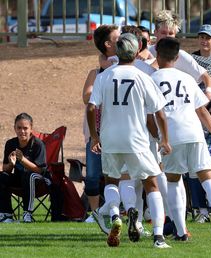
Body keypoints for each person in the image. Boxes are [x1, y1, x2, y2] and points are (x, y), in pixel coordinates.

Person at [87, 33, 172, 248]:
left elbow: (91, 107)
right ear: (136, 52)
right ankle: (158, 237)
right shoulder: (143, 77)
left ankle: (115, 215)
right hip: (136, 139)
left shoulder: (104, 75)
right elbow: (159, 113)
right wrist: (164, 139)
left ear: (117, 51)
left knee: (112, 180)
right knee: (151, 184)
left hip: (110, 138)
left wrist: (95, 136)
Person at [151, 37, 211, 243]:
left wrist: (158, 138)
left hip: (171, 135)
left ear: (157, 56)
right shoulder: (187, 78)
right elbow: (202, 111)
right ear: (177, 57)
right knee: (207, 177)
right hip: (194, 133)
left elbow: (150, 114)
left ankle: (181, 230)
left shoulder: (151, 79)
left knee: (173, 180)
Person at [82, 24, 120, 223]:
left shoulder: (125, 68)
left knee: (116, 174)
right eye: (117, 37)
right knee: (93, 175)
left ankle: (115, 210)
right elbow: (87, 97)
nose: (122, 39)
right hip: (96, 132)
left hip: (116, 132)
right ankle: (95, 213)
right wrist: (104, 74)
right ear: (107, 44)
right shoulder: (95, 73)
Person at [149, 10, 211, 100]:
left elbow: (207, 77)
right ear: (155, 32)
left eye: (171, 33)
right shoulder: (147, 53)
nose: (167, 37)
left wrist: (207, 97)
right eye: (163, 33)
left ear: (175, 34)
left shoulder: (181, 55)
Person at [0, 113, 49, 223]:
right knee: (2, 176)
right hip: (19, 179)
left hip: (39, 181)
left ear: (31, 129)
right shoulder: (10, 144)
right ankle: (5, 214)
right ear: (14, 128)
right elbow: (7, 170)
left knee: (29, 175)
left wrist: (22, 159)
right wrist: (11, 164)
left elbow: (40, 170)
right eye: (19, 128)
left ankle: (28, 213)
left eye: (25, 128)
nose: (22, 131)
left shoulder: (38, 144)